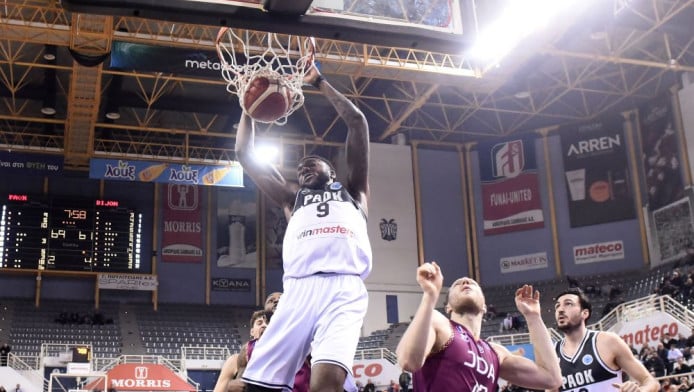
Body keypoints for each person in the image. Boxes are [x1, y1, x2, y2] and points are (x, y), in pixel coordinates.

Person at [235, 64, 371, 392]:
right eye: (300, 167)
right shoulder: (290, 198)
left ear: (332, 171)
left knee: (326, 384)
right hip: (297, 290)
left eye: (312, 163)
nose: (304, 167)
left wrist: (319, 81)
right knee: (255, 386)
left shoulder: (353, 191)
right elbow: (243, 153)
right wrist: (247, 109)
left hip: (344, 287)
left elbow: (357, 122)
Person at [396, 261, 562, 392]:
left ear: (484, 306)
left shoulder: (496, 353)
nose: (465, 281)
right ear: (448, 307)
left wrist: (533, 317)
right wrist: (430, 296)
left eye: (472, 283)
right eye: (457, 284)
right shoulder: (439, 323)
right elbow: (408, 362)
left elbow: (552, 379)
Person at [552, 288, 659, 392]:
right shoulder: (552, 353)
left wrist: (639, 390)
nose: (560, 310)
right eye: (557, 306)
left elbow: (650, 382)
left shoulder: (608, 341)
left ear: (585, 313)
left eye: (568, 304)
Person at [213, 309, 271, 392]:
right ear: (252, 331)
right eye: (259, 323)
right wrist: (229, 387)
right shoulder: (234, 361)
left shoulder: (281, 360)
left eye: (268, 323)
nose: (264, 325)